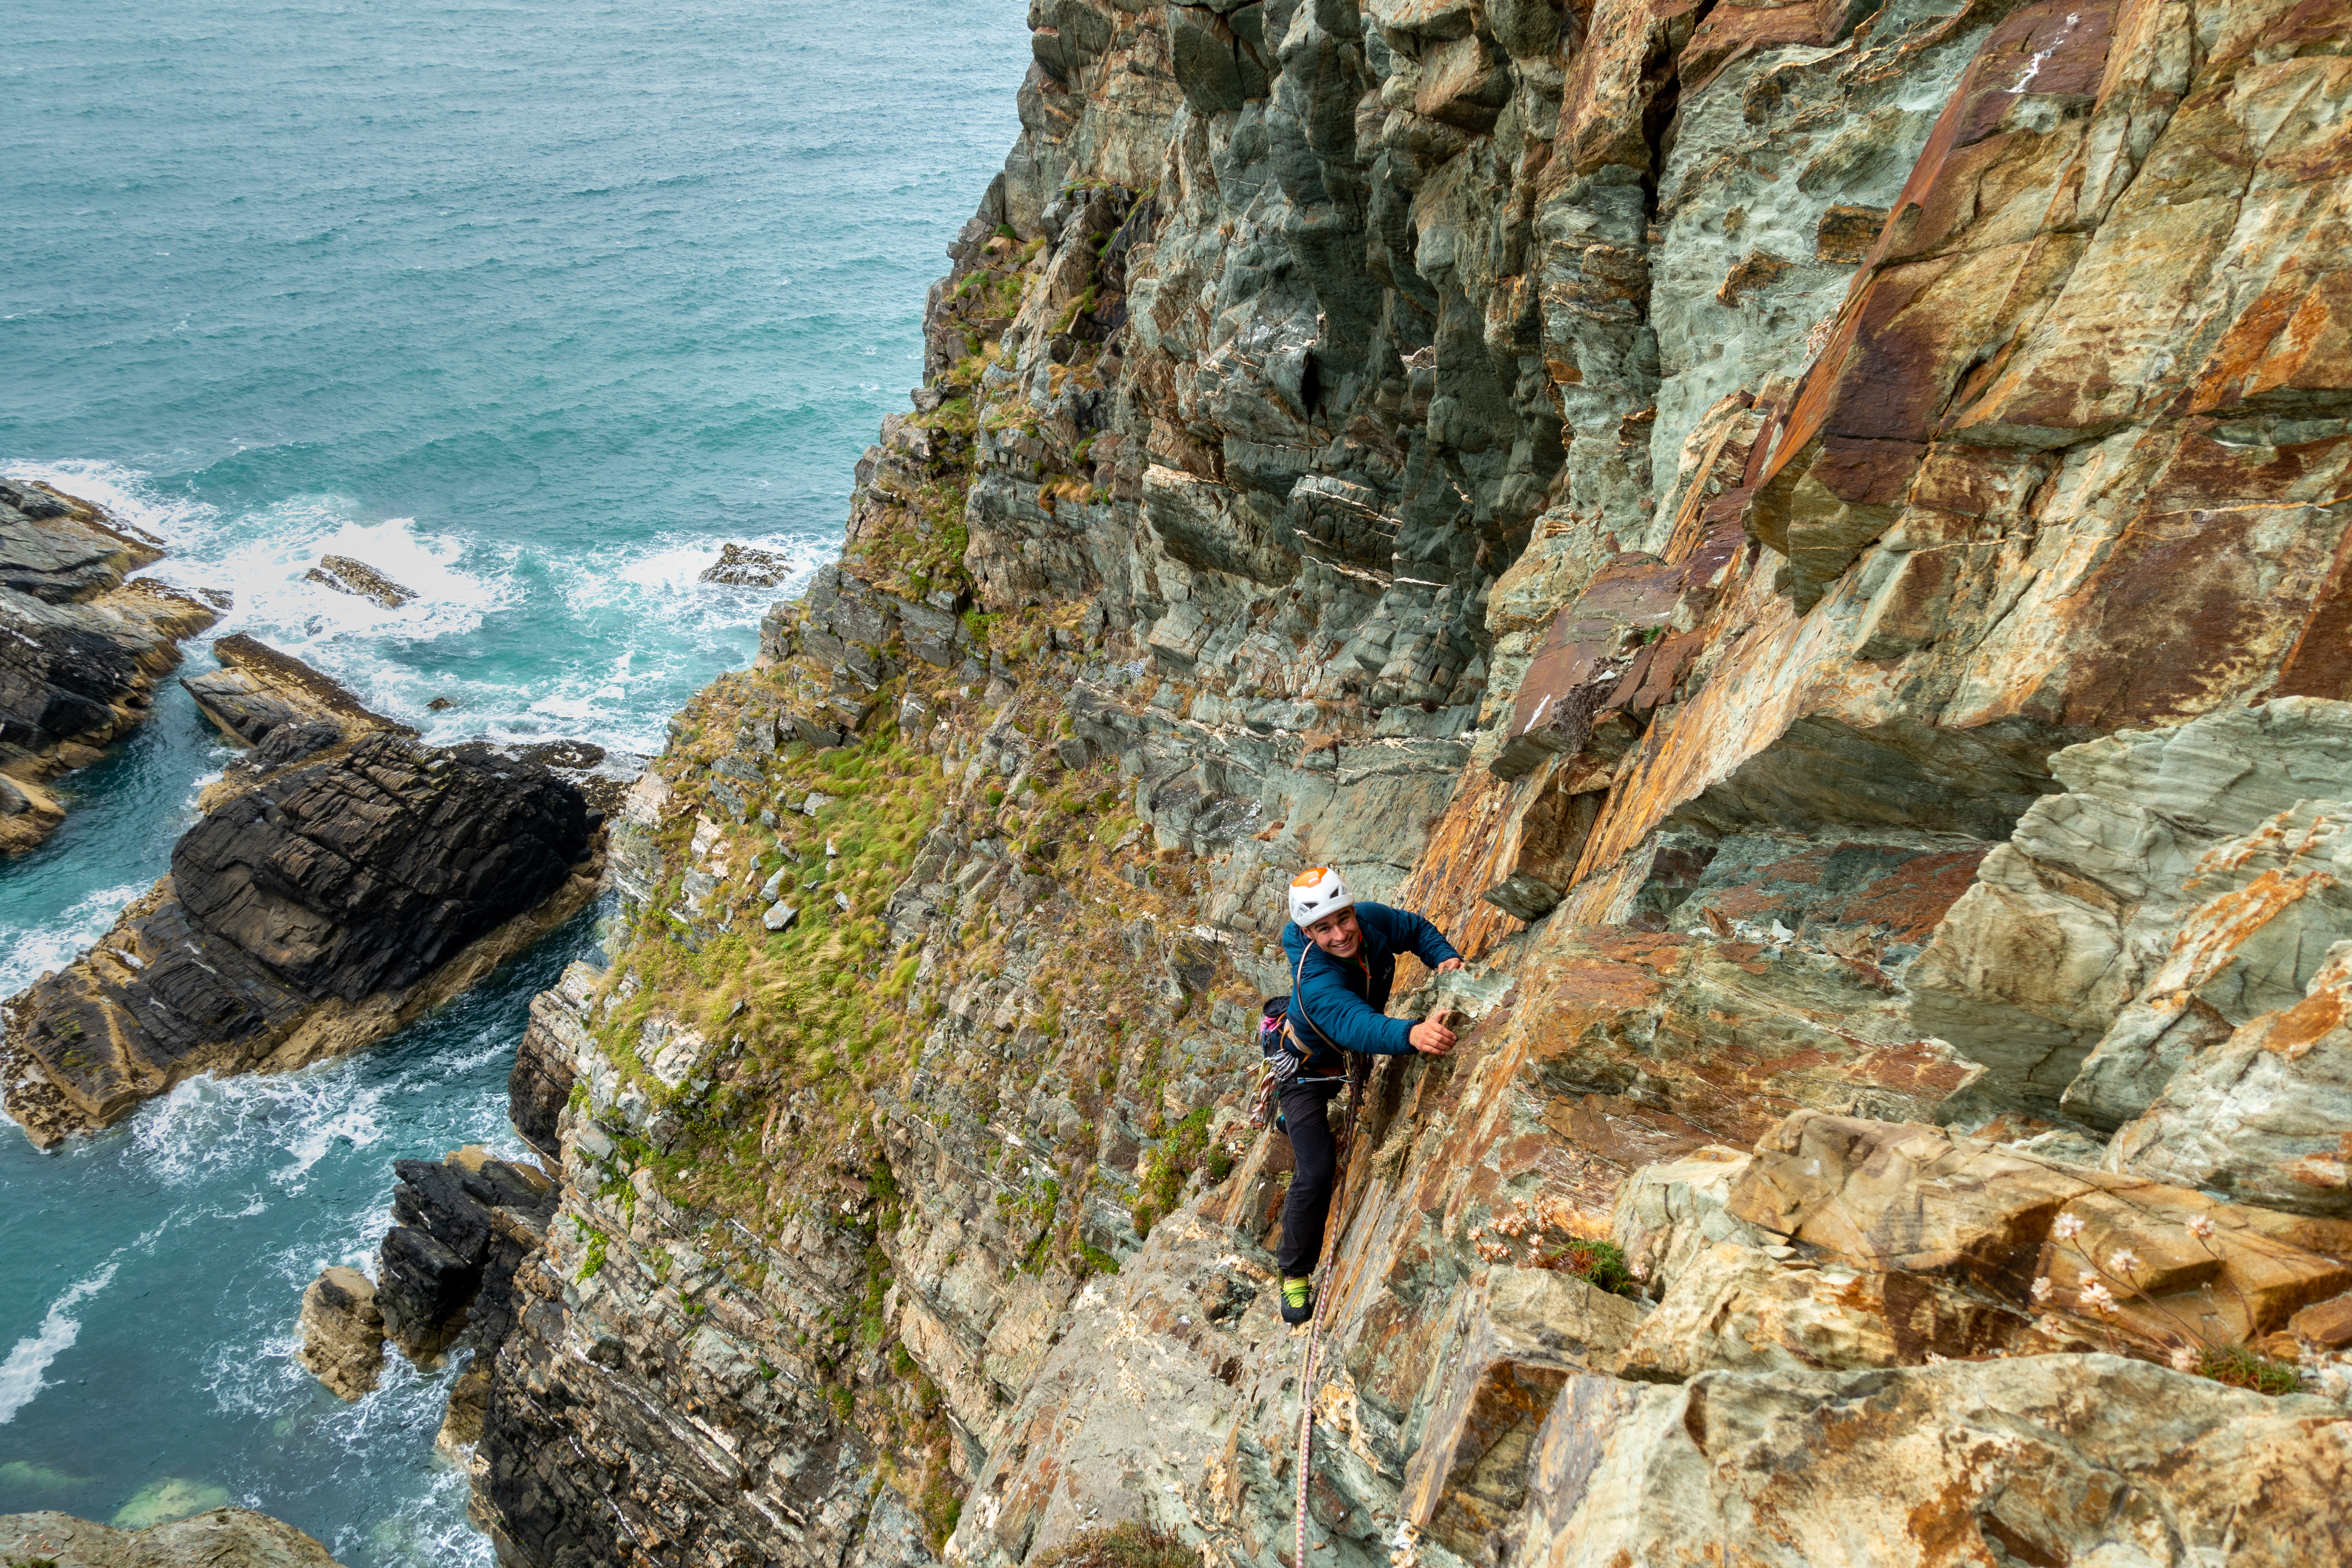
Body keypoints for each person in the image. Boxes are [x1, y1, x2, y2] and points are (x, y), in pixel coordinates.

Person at [1272, 865, 1462, 1324]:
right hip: (1305, 1073)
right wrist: (1412, 1034)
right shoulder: (1314, 981)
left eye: (1343, 919)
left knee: (1322, 1124)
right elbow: (1358, 1024)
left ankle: (1295, 1126)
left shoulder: (1370, 920)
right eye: (1324, 928)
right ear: (1307, 931)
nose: (1340, 934)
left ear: (1353, 909)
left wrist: (1444, 957)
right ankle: (1294, 1273)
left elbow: (1413, 928)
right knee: (1317, 1169)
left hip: (1338, 1060)